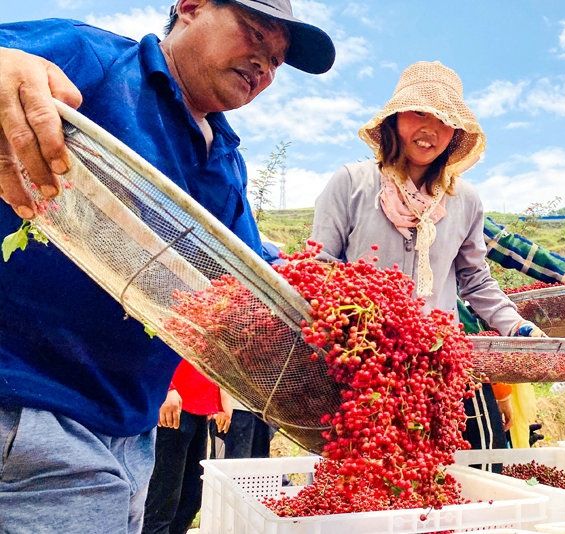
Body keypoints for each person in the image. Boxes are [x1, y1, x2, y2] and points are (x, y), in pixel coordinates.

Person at [0, 1, 334, 531]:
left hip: (133, 433)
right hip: (30, 413)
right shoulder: (91, 58)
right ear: (191, 7)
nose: (264, 66)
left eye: (276, 61)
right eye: (254, 34)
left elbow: (249, 279)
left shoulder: (226, 159)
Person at [309, 61, 545, 468]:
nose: (430, 129)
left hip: (434, 366)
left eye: (444, 121)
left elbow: (475, 280)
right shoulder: (351, 184)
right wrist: (354, 318)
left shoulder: (465, 201)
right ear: (395, 119)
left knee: (430, 468)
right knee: (361, 466)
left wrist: (516, 325)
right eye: (419, 113)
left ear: (456, 134)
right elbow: (320, 269)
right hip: (362, 363)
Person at [460, 217, 565, 448]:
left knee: (481, 444)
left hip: (463, 346)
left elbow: (504, 246)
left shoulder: (460, 206)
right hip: (447, 343)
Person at [144, 361, 231, 534]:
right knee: (161, 502)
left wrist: (222, 395)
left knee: (191, 498)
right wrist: (166, 387)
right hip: (172, 405)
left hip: (199, 405)